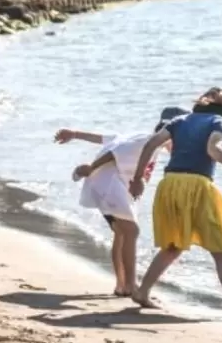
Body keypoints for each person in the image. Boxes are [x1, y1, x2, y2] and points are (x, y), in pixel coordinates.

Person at [128, 89, 222, 321]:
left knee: (173, 245)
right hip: (197, 185)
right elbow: (213, 149)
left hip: (169, 183)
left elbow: (151, 144)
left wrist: (138, 177)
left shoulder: (180, 120)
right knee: (220, 250)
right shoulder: (220, 122)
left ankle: (142, 291)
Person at [55, 106, 188, 298]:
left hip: (110, 187)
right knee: (131, 231)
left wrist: (75, 134)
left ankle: (122, 285)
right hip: (108, 185)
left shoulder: (145, 139)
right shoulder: (146, 141)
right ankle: (132, 286)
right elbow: (114, 152)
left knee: (121, 233)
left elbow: (106, 139)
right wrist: (91, 168)